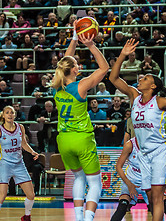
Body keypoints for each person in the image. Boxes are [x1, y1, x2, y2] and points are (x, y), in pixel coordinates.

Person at [109, 39, 166, 221]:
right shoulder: (134, 96)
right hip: (143, 154)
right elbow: (113, 78)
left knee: (157, 197)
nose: (140, 79)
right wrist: (123, 55)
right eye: (141, 77)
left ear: (153, 86)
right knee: (151, 197)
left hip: (159, 152)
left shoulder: (159, 101)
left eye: (145, 78)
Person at [51, 21, 109, 221]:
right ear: (74, 70)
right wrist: (91, 45)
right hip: (82, 138)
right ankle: (88, 219)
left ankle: (77, 218)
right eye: (77, 65)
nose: (79, 65)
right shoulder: (81, 86)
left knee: (78, 177)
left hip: (64, 140)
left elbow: (65, 61)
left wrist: (74, 37)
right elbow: (104, 68)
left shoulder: (56, 86)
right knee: (95, 183)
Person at [0, 106, 39, 221]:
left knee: (31, 195)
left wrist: (33, 152)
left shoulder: (21, 127)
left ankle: (26, 216)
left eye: (12, 113)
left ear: (15, 115)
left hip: (19, 164)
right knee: (2, 196)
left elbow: (24, 144)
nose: (10, 115)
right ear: (3, 115)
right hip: (5, 165)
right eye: (7, 113)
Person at [111, 137, 166, 221]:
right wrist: (130, 185)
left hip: (149, 182)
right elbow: (118, 167)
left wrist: (163, 184)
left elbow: (158, 168)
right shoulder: (130, 145)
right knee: (122, 207)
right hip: (132, 181)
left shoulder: (155, 145)